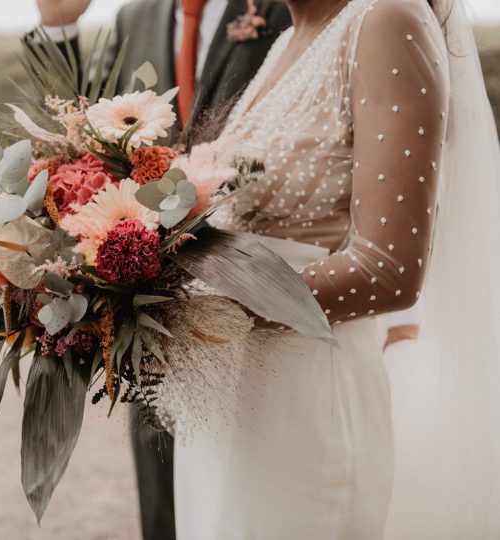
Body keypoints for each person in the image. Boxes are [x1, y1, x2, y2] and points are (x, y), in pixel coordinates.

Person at [163, 0, 500, 537]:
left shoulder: (387, 20)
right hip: (230, 409)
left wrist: (205, 314)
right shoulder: (287, 40)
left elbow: (388, 268)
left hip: (309, 403)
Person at [34, 2, 291, 539]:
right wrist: (59, 28)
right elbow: (82, 130)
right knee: (163, 500)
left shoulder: (283, 8)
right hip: (148, 305)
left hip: (256, 298)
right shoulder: (137, 16)